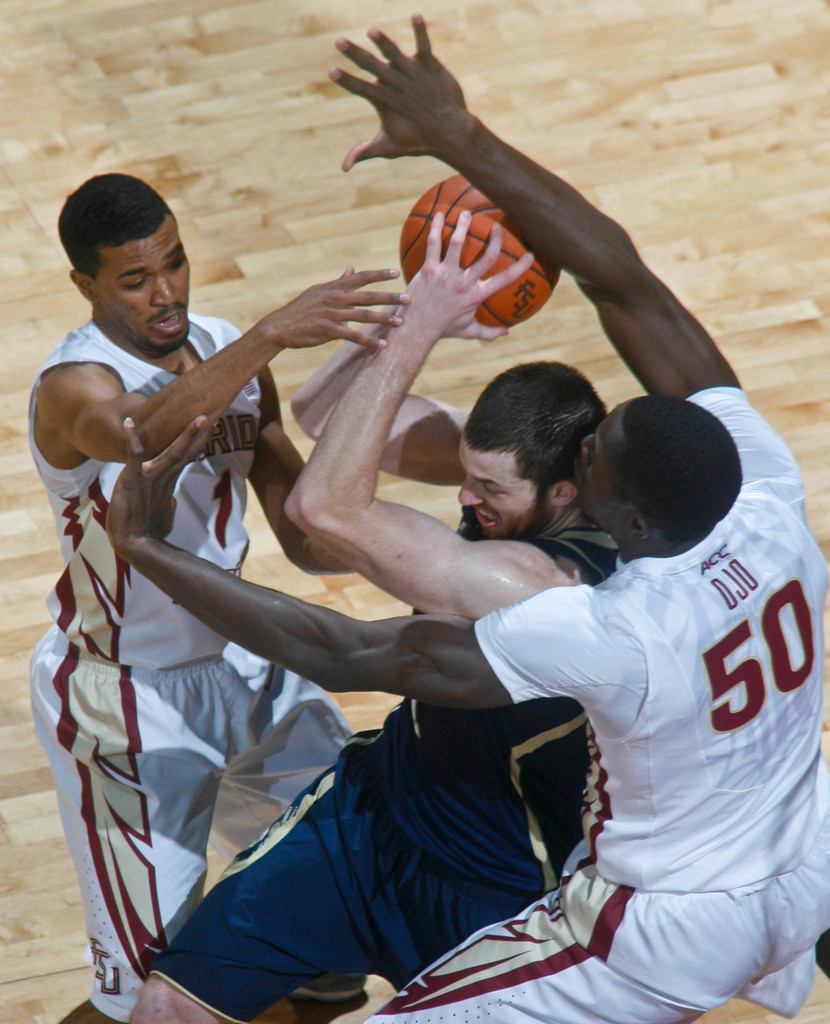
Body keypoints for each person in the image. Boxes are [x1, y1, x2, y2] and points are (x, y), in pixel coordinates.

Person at [109, 17, 830, 1022]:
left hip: (571, 894)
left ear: (599, 506)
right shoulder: (757, 495)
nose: (592, 433)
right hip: (404, 807)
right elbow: (621, 277)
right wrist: (458, 134)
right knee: (169, 1003)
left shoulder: (586, 615)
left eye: (594, 453)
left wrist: (143, 546)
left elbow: (348, 626)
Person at [105, 214, 615, 1022]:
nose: (463, 501)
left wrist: (418, 329)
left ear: (564, 495)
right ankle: (326, 973)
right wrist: (422, 303)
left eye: (488, 491)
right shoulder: (524, 489)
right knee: (169, 1008)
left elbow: (322, 513)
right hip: (374, 809)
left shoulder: (550, 583)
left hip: (496, 885)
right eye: (467, 475)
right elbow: (322, 406)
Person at [28, 172, 406, 1024]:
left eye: (176, 264)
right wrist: (274, 332)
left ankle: (320, 987)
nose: (166, 294)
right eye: (135, 279)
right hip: (126, 703)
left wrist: (381, 390)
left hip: (246, 659)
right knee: (147, 1000)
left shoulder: (229, 351)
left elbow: (308, 536)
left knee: (350, 883)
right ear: (85, 285)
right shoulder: (72, 387)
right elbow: (138, 435)